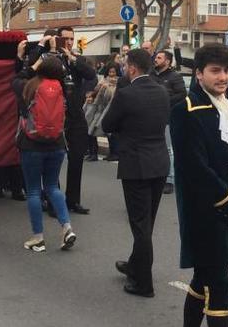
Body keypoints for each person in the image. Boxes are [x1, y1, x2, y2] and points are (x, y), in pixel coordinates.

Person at [171, 44, 228, 327]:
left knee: (203, 279)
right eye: (215, 71)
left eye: (227, 70)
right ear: (198, 74)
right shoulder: (185, 111)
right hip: (205, 215)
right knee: (219, 286)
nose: (223, 77)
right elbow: (195, 170)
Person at [102, 49, 171, 298]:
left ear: (132, 69)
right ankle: (135, 264)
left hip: (136, 164)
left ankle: (144, 283)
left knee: (140, 226)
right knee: (147, 222)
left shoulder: (127, 94)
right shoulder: (163, 91)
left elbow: (107, 124)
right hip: (159, 162)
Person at [12, 54, 76, 253]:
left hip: (31, 144)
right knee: (52, 186)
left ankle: (38, 238)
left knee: (33, 190)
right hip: (56, 143)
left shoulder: (29, 86)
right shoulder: (63, 88)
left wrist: (32, 66)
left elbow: (14, 80)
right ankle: (66, 227)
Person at [55, 26, 97, 214]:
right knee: (53, 160)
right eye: (65, 39)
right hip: (56, 115)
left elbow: (91, 75)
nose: (69, 42)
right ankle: (52, 200)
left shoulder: (76, 60)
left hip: (76, 115)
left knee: (77, 157)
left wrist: (72, 59)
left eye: (72, 38)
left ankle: (73, 200)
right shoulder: (51, 59)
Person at [151, 50, 187, 194]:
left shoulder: (175, 77)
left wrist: (164, 101)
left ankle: (170, 180)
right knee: (153, 148)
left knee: (168, 150)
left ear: (167, 61)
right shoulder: (151, 75)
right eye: (156, 57)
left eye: (159, 58)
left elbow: (182, 94)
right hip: (151, 117)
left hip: (167, 118)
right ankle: (155, 176)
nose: (156, 60)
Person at [84, 64, 119, 162]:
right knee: (91, 131)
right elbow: (95, 92)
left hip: (109, 110)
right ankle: (93, 153)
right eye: (110, 71)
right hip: (99, 109)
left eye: (113, 72)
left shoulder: (119, 82)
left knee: (109, 133)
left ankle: (114, 153)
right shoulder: (103, 81)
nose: (111, 74)